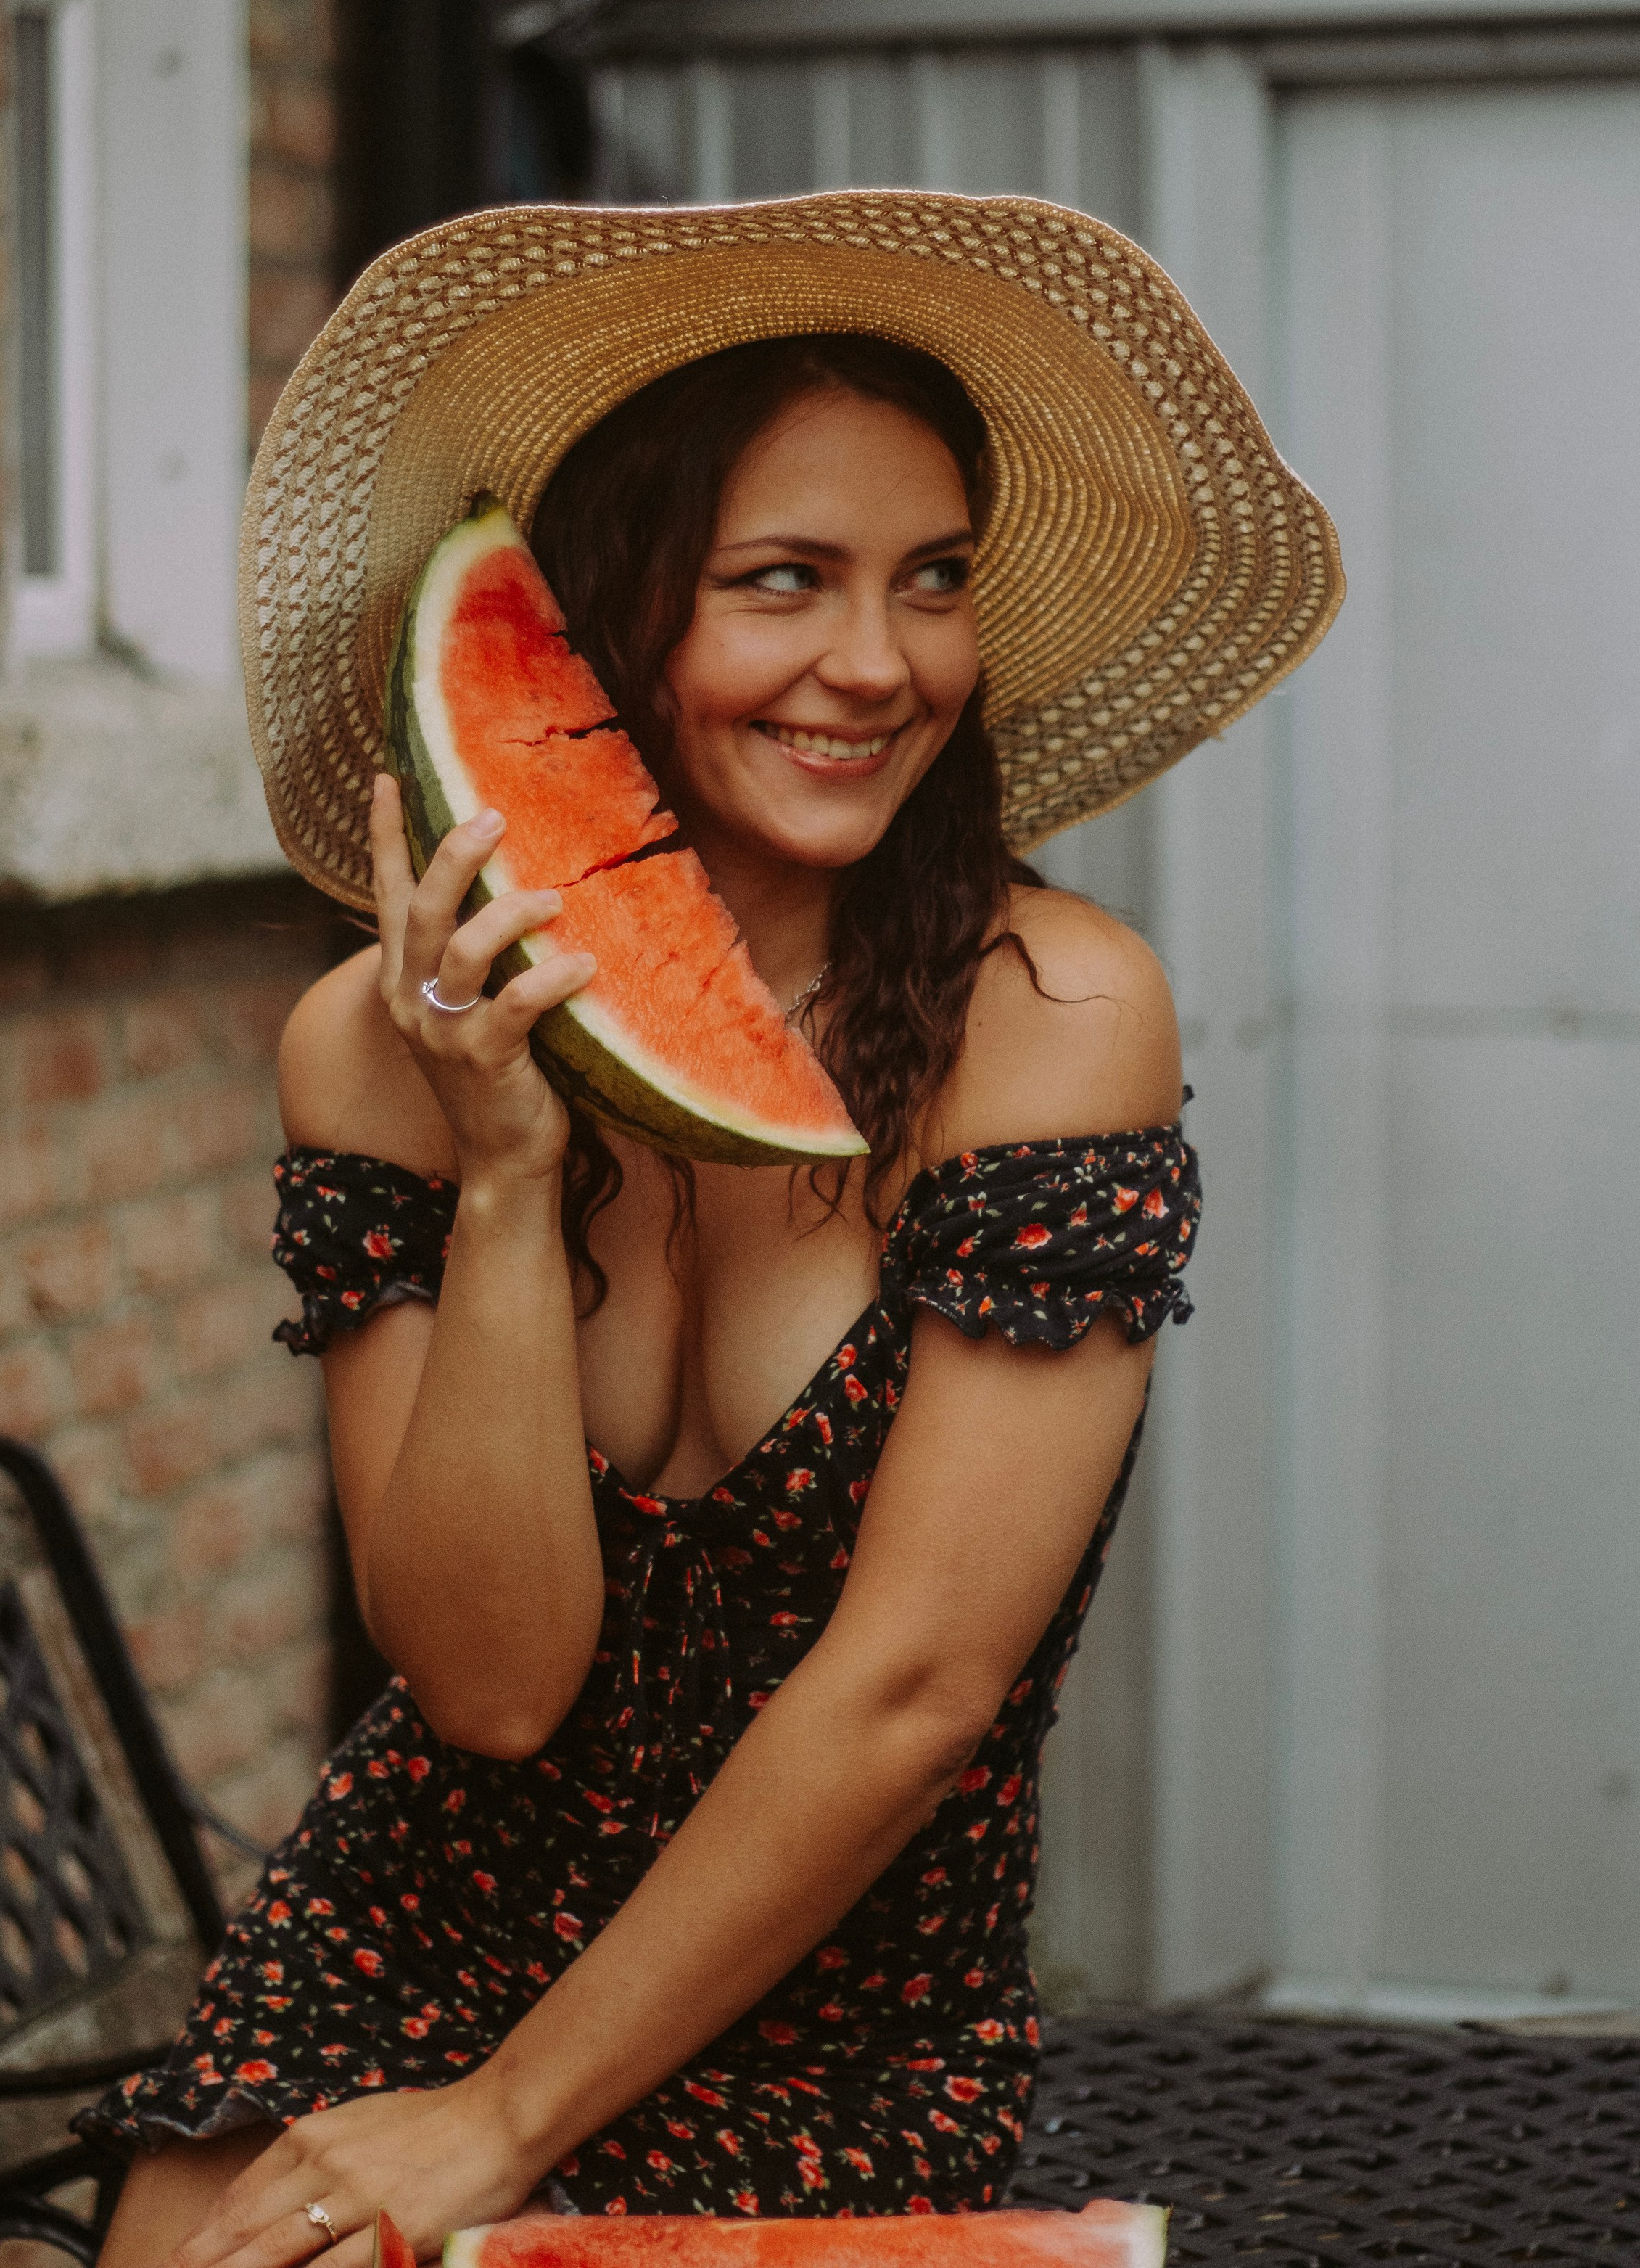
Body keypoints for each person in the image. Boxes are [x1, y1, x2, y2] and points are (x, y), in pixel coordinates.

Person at [81, 192, 1341, 2268]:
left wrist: (500, 2126)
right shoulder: (371, 1052)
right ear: (590, 627)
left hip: (827, 2015)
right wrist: (507, 1176)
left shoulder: (1051, 1022)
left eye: (933, 579)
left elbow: (918, 1689)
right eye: (784, 581)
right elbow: (490, 1691)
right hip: (401, 1947)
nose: (881, 663)